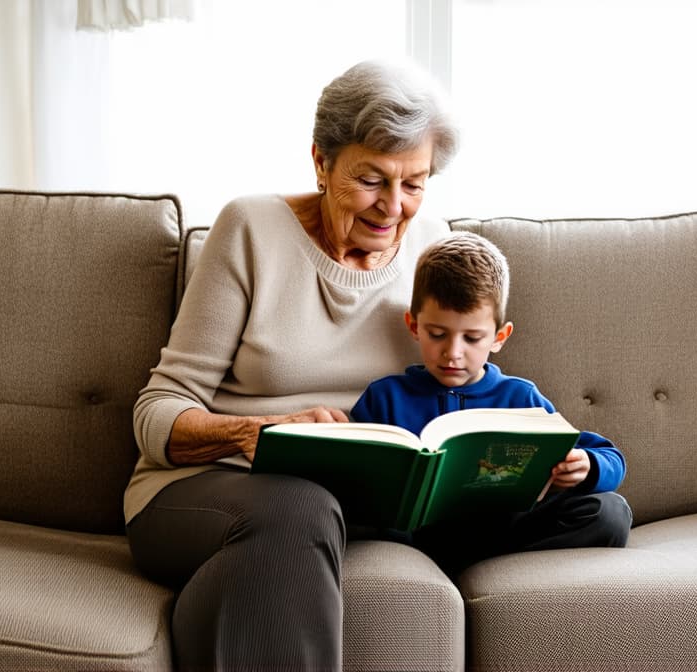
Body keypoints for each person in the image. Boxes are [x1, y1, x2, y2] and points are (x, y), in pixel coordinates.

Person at [124, 59, 459, 671]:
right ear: (321, 162)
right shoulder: (251, 228)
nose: (393, 207)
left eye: (414, 183)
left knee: (591, 512)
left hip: (346, 502)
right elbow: (157, 413)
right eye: (372, 180)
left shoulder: (434, 243)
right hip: (201, 491)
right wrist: (262, 434)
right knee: (300, 505)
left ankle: (207, 607)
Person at [350, 232, 632, 574]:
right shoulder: (385, 397)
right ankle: (444, 568)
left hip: (503, 533)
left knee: (609, 512)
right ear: (414, 326)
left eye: (472, 338)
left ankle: (491, 569)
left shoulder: (520, 397)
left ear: (499, 337)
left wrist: (586, 464)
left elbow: (610, 457)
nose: (452, 353)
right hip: (413, 538)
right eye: (437, 334)